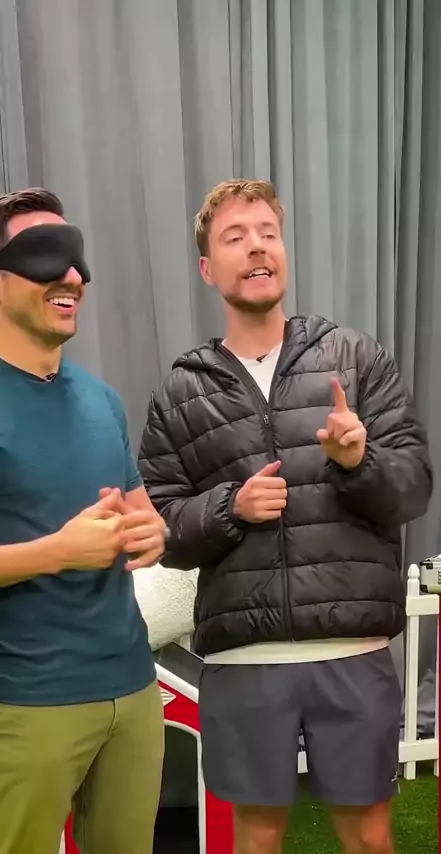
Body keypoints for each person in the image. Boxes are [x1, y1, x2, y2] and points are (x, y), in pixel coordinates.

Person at [138, 179, 433, 854]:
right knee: (256, 837)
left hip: (352, 650)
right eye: (235, 237)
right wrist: (230, 508)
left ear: (284, 251)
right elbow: (160, 529)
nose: (257, 247)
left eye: (268, 233)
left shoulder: (355, 360)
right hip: (245, 660)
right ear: (208, 268)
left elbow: (413, 489)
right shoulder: (181, 392)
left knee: (370, 835)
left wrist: (358, 462)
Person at [0, 188, 168, 854]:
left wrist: (151, 531)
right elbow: (63, 547)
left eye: (76, 257)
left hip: (132, 689)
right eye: (45, 254)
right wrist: (57, 552)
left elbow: (139, 510)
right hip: (27, 702)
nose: (71, 274)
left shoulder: (102, 401)